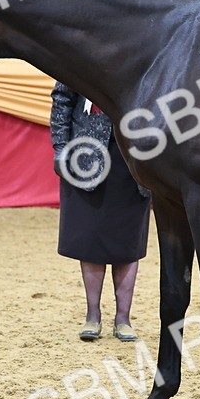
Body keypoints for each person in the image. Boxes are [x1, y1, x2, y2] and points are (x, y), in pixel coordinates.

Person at [50, 82, 151, 342]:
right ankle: (92, 315)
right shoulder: (76, 49)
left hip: (134, 158)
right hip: (86, 157)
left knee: (128, 243)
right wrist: (60, 146)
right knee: (90, 240)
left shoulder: (145, 46)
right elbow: (62, 97)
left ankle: (123, 318)